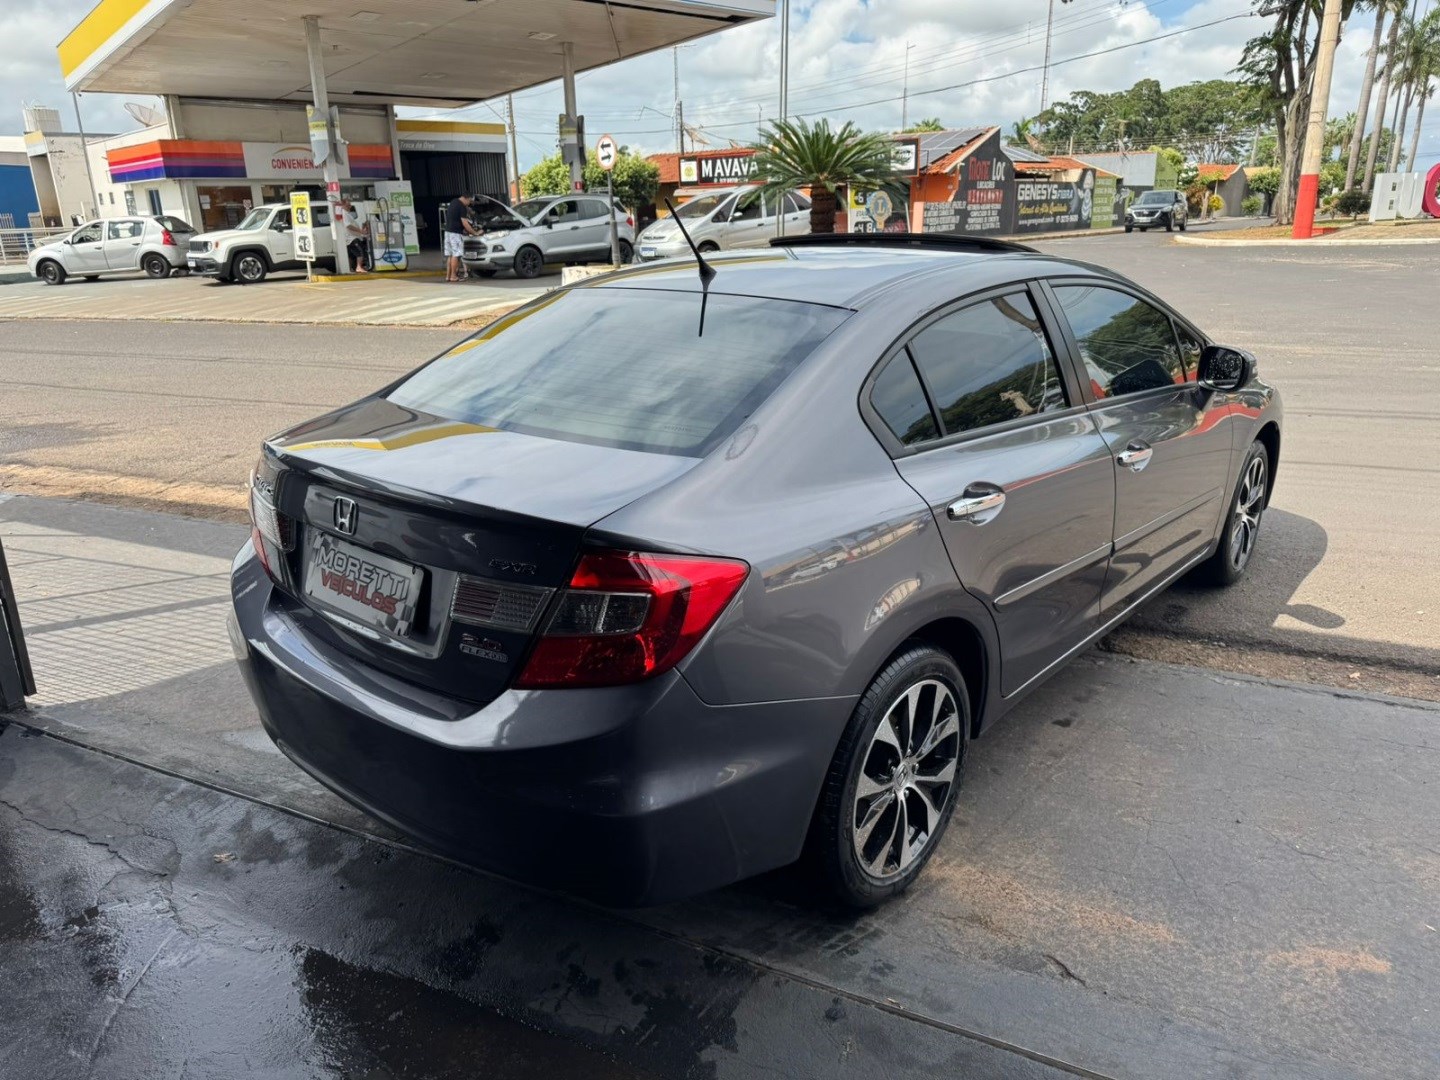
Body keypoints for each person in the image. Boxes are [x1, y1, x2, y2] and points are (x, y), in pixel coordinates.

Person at [444, 193, 479, 282]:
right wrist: (474, 233)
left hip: (448, 232)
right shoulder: (462, 207)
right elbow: (465, 223)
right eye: (470, 201)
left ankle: (448, 276)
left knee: (450, 255)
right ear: (467, 198)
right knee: (456, 255)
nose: (469, 203)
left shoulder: (453, 202)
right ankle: (453, 276)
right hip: (455, 233)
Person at [338, 199, 370, 273]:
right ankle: (359, 267)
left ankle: (350, 268)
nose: (350, 207)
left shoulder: (346, 213)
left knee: (351, 254)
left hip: (352, 237)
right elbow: (348, 226)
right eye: (348, 205)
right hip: (352, 237)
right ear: (343, 205)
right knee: (360, 251)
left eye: (350, 205)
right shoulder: (344, 213)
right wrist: (360, 231)